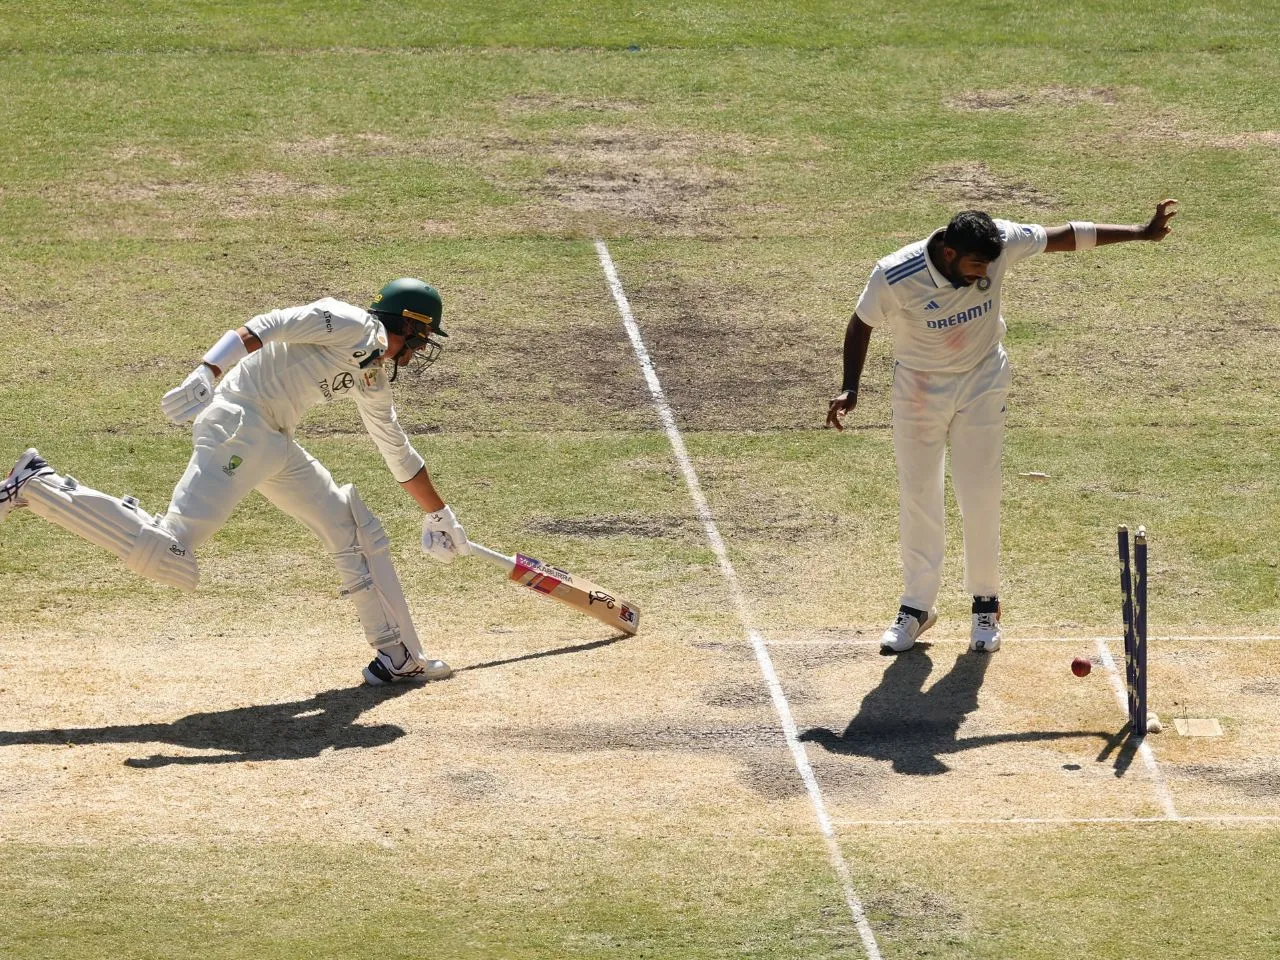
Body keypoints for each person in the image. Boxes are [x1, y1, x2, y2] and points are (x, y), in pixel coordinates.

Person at [1, 278, 469, 686]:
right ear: (407, 324)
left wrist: (439, 514)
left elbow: (396, 449)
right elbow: (269, 324)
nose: (422, 349)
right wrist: (209, 369)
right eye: (423, 337)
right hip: (240, 424)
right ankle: (37, 485)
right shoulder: (352, 323)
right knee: (170, 555)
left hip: (273, 442)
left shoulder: (370, 374)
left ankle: (397, 657)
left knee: (347, 525)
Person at [826, 201, 1178, 654]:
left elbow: (1064, 236)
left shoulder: (999, 241)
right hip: (918, 390)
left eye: (989, 266)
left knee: (979, 491)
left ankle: (985, 606)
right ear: (950, 254)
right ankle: (916, 608)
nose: (984, 275)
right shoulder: (895, 273)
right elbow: (861, 324)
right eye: (976, 266)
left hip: (982, 381)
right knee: (919, 494)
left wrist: (1139, 231)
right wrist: (850, 388)